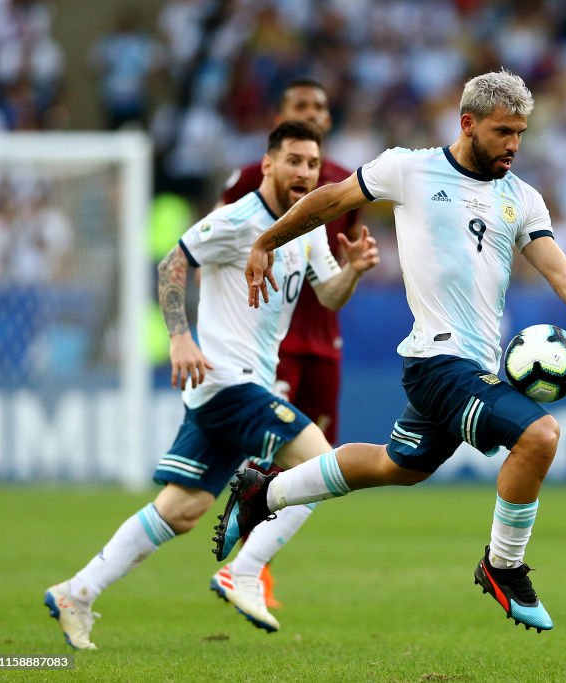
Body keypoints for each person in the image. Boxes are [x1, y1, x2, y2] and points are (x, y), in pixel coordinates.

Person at [212, 70, 566, 634]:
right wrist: (265, 241)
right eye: (503, 131)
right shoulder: (409, 168)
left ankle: (265, 492)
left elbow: (564, 273)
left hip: (473, 365)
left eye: (521, 134)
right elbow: (330, 200)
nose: (513, 144)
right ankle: (503, 565)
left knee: (397, 465)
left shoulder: (522, 198)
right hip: (437, 362)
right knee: (540, 435)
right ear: (468, 123)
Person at [43, 121, 380, 649]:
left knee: (181, 510)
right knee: (321, 466)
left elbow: (330, 297)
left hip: (230, 390)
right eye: (293, 160)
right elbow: (171, 262)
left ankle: (77, 592)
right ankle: (242, 571)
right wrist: (179, 337)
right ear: (267, 164)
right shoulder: (239, 219)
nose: (304, 172)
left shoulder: (309, 227)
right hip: (227, 381)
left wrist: (353, 271)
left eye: (312, 164)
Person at [217, 78, 361, 609]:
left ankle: (251, 567)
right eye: (301, 106)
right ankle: (249, 569)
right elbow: (214, 241)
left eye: (320, 106)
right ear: (279, 116)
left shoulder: (345, 182)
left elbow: (335, 262)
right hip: (272, 338)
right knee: (272, 457)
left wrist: (356, 271)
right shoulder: (251, 179)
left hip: (324, 337)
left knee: (314, 467)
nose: (314, 113)